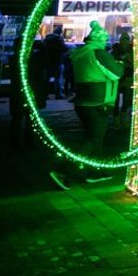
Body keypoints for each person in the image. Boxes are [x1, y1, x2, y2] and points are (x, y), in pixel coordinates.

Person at [49, 21, 124, 190]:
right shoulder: (98, 52)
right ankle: (64, 171)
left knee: (96, 139)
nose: (106, 42)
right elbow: (117, 73)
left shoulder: (81, 53)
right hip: (98, 102)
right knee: (93, 139)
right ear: (100, 39)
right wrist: (120, 64)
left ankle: (93, 172)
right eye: (105, 39)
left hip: (84, 101)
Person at [42, 25, 66, 99]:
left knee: (46, 79)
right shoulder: (59, 39)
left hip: (47, 61)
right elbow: (64, 49)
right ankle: (58, 94)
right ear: (60, 33)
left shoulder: (47, 38)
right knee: (58, 79)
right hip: (57, 61)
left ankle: (44, 94)